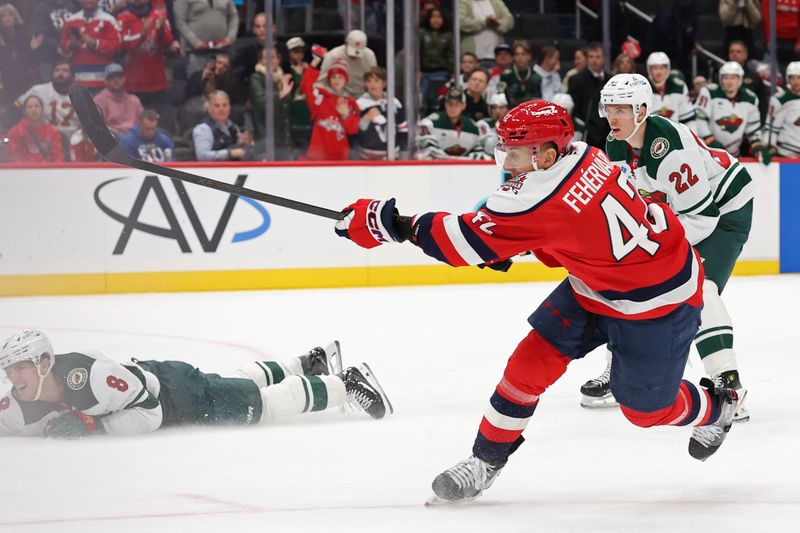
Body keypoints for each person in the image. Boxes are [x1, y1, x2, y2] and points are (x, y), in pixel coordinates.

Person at [333, 100, 745, 505]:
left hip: (658, 300)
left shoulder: (542, 197)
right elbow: (571, 228)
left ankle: (716, 407)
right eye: (505, 150)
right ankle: (484, 462)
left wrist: (390, 224)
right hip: (597, 283)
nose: (507, 162)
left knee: (645, 411)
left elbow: (461, 242)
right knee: (526, 367)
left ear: (547, 155)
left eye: (515, 152)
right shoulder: (584, 154)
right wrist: (510, 243)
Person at [578, 73, 754, 424]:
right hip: (680, 211)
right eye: (608, 107)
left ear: (642, 110)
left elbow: (703, 218)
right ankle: (620, 375)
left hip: (725, 212)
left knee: (699, 289)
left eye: (621, 109)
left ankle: (728, 385)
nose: (612, 117)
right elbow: (627, 201)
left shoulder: (671, 151)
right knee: (627, 282)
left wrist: (654, 250)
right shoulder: (616, 143)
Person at [0, 329, 392, 437]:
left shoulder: (94, 379)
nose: (13, 377)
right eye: (9, 369)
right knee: (234, 384)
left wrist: (95, 426)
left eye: (20, 368)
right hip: (164, 380)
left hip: (174, 395)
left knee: (258, 405)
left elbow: (150, 414)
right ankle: (306, 363)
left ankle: (344, 384)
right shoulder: (21, 403)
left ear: (45, 363)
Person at [116, 0, 180, 118]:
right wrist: (143, 34)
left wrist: (160, 32)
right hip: (132, 85)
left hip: (158, 82)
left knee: (159, 125)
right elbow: (123, 45)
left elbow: (169, 44)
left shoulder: (159, 16)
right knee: (133, 124)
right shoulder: (122, 17)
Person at [695, 61, 767, 161]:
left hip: (734, 156)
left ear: (740, 79)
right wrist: (710, 140)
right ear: (721, 79)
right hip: (708, 154)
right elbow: (699, 119)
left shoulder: (750, 98)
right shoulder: (709, 92)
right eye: (726, 77)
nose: (729, 82)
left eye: (733, 78)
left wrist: (757, 145)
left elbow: (753, 128)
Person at [301, 45, 360, 161]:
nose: (337, 80)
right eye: (333, 77)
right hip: (317, 158)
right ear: (329, 80)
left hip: (341, 158)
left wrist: (345, 115)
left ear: (345, 80)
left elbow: (353, 130)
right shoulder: (321, 98)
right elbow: (306, 85)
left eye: (340, 77)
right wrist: (316, 60)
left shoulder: (351, 103)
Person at [15, 59, 79, 153]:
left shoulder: (81, 96)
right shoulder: (39, 90)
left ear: (73, 76)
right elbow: (17, 106)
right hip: (43, 143)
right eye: (57, 70)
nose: (60, 73)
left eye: (65, 70)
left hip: (72, 144)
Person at [58, 0, 121, 89]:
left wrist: (95, 43)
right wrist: (71, 44)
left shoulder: (109, 20)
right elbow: (62, 45)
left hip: (103, 80)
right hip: (78, 78)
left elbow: (117, 45)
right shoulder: (72, 20)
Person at [417, 86, 489, 160]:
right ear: (445, 104)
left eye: (457, 104)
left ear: (463, 106)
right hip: (436, 167)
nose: (453, 107)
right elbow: (428, 149)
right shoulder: (431, 122)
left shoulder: (472, 126)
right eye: (450, 103)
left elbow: (478, 150)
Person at [249, 46, 293, 159]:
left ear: (278, 60)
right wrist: (280, 94)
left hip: (284, 140)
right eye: (265, 58)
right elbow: (262, 104)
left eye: (272, 57)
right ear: (260, 61)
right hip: (266, 140)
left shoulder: (281, 80)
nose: (269, 61)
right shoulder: (256, 79)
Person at [355, 66, 408, 160]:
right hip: (368, 157)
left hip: (393, 155)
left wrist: (404, 152)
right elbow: (356, 131)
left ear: (384, 83)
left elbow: (403, 128)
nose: (372, 84)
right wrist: (366, 118)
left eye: (376, 81)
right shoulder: (360, 104)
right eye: (369, 81)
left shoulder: (394, 102)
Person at [173, 0, 238, 75]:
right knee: (197, 83)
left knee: (221, 85)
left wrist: (231, 36)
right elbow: (180, 21)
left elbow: (233, 15)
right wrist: (194, 41)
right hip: (196, 53)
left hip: (221, 51)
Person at [192, 90, 255, 161]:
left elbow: (241, 153)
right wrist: (229, 153)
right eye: (217, 106)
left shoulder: (233, 127)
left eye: (225, 105)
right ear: (209, 109)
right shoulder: (203, 129)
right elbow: (202, 156)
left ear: (229, 108)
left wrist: (246, 144)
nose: (221, 109)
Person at [568, 41, 610, 148]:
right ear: (587, 59)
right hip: (587, 136)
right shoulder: (576, 80)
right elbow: (574, 109)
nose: (594, 60)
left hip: (608, 133)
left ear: (604, 58)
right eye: (591, 57)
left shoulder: (611, 80)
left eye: (597, 56)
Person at [317, 29, 377, 98]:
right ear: (346, 43)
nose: (355, 56)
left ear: (365, 45)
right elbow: (321, 82)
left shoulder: (369, 56)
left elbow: (374, 81)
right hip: (337, 96)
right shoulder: (332, 55)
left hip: (363, 96)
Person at [457, 0, 514, 70]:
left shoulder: (496, 2)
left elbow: (509, 20)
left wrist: (496, 24)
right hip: (473, 59)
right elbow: (461, 22)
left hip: (495, 58)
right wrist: (484, 24)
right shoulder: (464, 2)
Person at [7, 95, 64, 163]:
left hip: (48, 171)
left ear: (42, 110)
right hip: (24, 171)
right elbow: (15, 157)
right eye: (30, 107)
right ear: (24, 111)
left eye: (37, 106)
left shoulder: (53, 132)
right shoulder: (15, 132)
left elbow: (59, 158)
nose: (34, 109)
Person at [420, 7, 455, 114]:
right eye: (433, 17)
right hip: (423, 74)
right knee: (423, 102)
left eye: (439, 17)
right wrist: (417, 70)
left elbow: (451, 55)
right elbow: (416, 53)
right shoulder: (421, 33)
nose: (436, 20)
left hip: (442, 73)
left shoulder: (448, 35)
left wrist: (453, 72)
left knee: (439, 101)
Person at [646, 51, 695, 127]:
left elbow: (688, 120)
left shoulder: (680, 87)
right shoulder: (642, 88)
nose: (659, 72)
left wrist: (691, 138)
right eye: (655, 68)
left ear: (668, 69)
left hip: (674, 135)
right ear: (649, 70)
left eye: (662, 68)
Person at [93, 62, 144, 134]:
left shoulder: (134, 100)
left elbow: (144, 122)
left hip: (135, 138)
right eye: (112, 77)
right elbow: (97, 127)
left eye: (119, 76)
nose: (116, 79)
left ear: (124, 79)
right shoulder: (99, 100)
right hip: (112, 139)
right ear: (106, 81)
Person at [765, 61, 800, 157]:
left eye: (799, 77)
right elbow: (771, 130)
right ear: (788, 79)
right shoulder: (780, 100)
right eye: (792, 78)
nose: (796, 82)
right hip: (786, 154)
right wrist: (769, 147)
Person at [286, 36, 311, 156]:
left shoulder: (308, 68)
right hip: (294, 115)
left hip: (308, 113)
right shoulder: (287, 71)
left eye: (301, 51)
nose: (299, 55)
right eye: (296, 52)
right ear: (289, 53)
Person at [498, 39, 541, 108]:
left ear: (529, 56)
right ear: (514, 57)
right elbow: (500, 97)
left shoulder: (536, 77)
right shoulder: (506, 76)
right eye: (517, 54)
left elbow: (539, 100)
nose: (520, 57)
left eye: (523, 54)